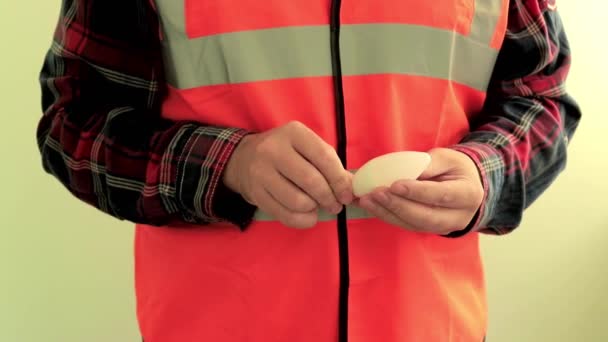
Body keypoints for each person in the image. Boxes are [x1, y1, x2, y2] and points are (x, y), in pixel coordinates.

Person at [36, 0, 580, 341]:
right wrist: (228, 164)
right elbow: (74, 125)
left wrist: (483, 172)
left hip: (431, 326)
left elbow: (539, 99)